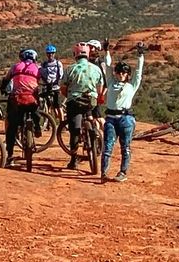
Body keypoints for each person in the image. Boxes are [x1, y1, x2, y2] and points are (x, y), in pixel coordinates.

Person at [100, 43, 146, 183]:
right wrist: (106, 51)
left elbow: (138, 71)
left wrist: (140, 55)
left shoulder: (132, 85)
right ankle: (104, 173)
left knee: (125, 147)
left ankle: (123, 172)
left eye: (124, 73)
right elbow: (107, 66)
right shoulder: (111, 81)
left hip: (126, 119)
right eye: (119, 72)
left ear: (127, 74)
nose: (121, 75)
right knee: (107, 146)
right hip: (111, 118)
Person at [59, 42, 102, 170]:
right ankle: (94, 132)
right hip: (91, 100)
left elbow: (63, 88)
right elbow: (100, 88)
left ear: (75, 55)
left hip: (75, 101)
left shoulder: (70, 69)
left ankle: (73, 159)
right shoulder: (96, 68)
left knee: (74, 131)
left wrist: (70, 96)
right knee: (89, 113)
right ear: (88, 54)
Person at [1, 49, 41, 169]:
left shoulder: (15, 67)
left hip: (16, 100)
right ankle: (38, 127)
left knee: (12, 127)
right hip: (31, 99)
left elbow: (6, 79)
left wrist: (3, 89)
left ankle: (10, 155)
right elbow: (43, 81)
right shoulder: (37, 68)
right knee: (36, 109)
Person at [38, 44, 65, 121]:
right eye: (49, 53)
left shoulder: (58, 64)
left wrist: (57, 83)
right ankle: (48, 123)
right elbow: (41, 73)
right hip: (47, 86)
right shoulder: (44, 64)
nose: (50, 55)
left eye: (52, 53)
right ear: (46, 54)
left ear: (54, 54)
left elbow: (61, 75)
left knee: (58, 106)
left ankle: (62, 123)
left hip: (56, 87)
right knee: (48, 105)